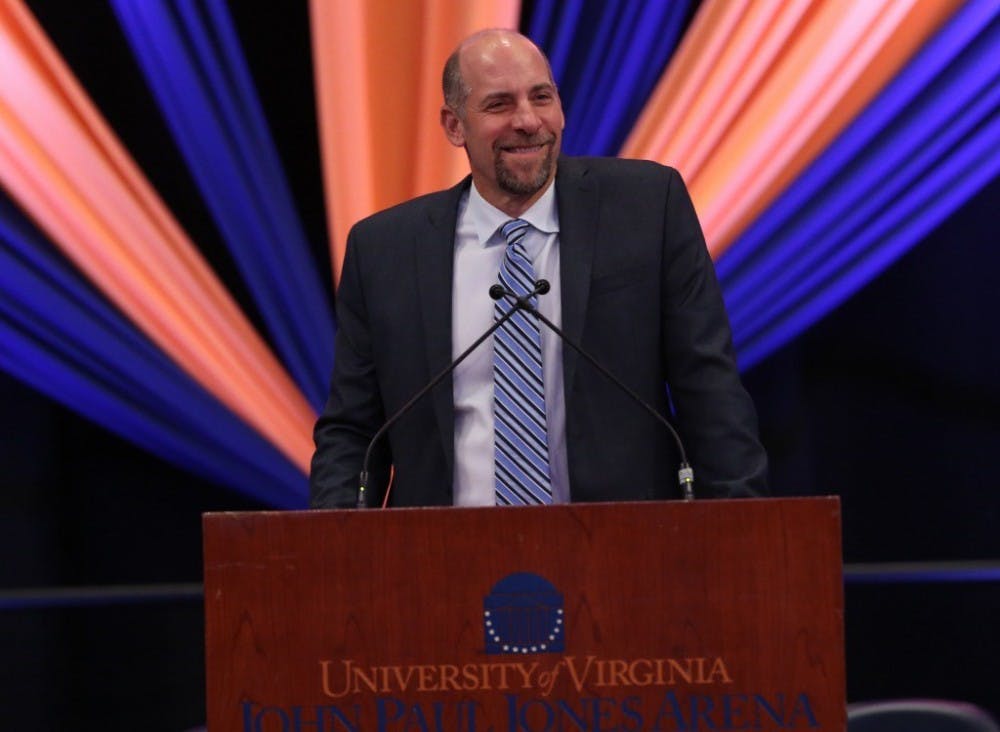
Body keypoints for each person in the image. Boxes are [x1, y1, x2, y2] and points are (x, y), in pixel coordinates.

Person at [310, 29, 767, 508]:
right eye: (499, 105)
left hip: (626, 552)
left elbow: (711, 396)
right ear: (454, 125)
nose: (528, 121)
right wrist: (333, 556)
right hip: (441, 561)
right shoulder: (384, 250)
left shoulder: (649, 209)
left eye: (541, 97)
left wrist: (742, 535)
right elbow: (352, 431)